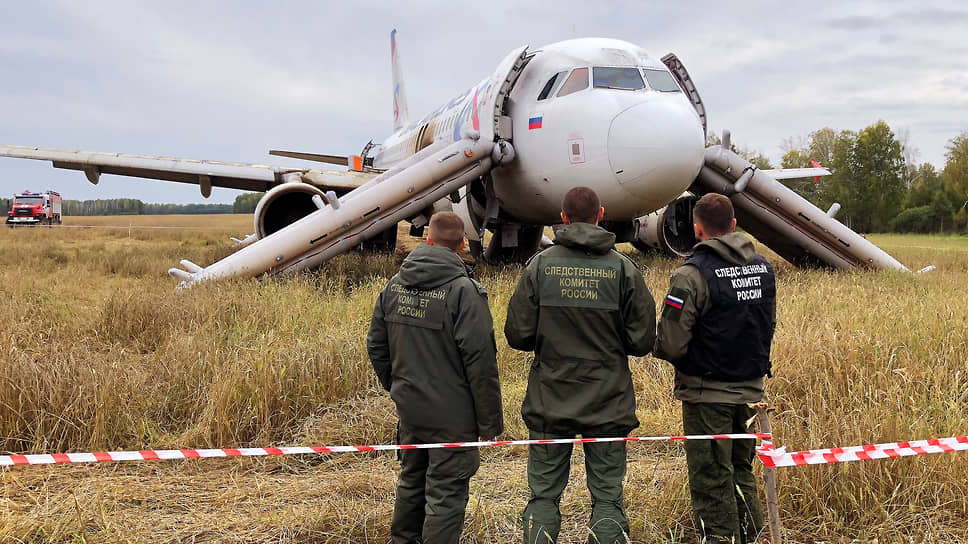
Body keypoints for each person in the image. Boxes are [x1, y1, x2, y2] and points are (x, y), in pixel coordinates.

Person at [505, 186, 656, 544]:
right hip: (608, 403)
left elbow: (518, 335)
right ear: (601, 215)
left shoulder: (540, 266)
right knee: (607, 497)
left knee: (543, 496)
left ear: (563, 218)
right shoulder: (623, 269)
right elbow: (641, 341)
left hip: (550, 401)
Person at [367, 212, 504, 544]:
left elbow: (376, 345)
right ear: (460, 246)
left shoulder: (394, 285)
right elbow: (480, 361)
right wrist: (490, 424)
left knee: (411, 481)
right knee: (446, 492)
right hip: (453, 417)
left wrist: (399, 387)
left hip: (411, 409)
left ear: (427, 240)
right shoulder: (464, 292)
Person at [653, 193, 776, 543]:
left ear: (697, 229)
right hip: (752, 394)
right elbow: (767, 326)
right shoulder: (763, 269)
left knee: (711, 477)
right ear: (734, 226)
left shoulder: (691, 275)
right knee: (741, 471)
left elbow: (672, 342)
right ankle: (750, 537)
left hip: (707, 395)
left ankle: (721, 539)